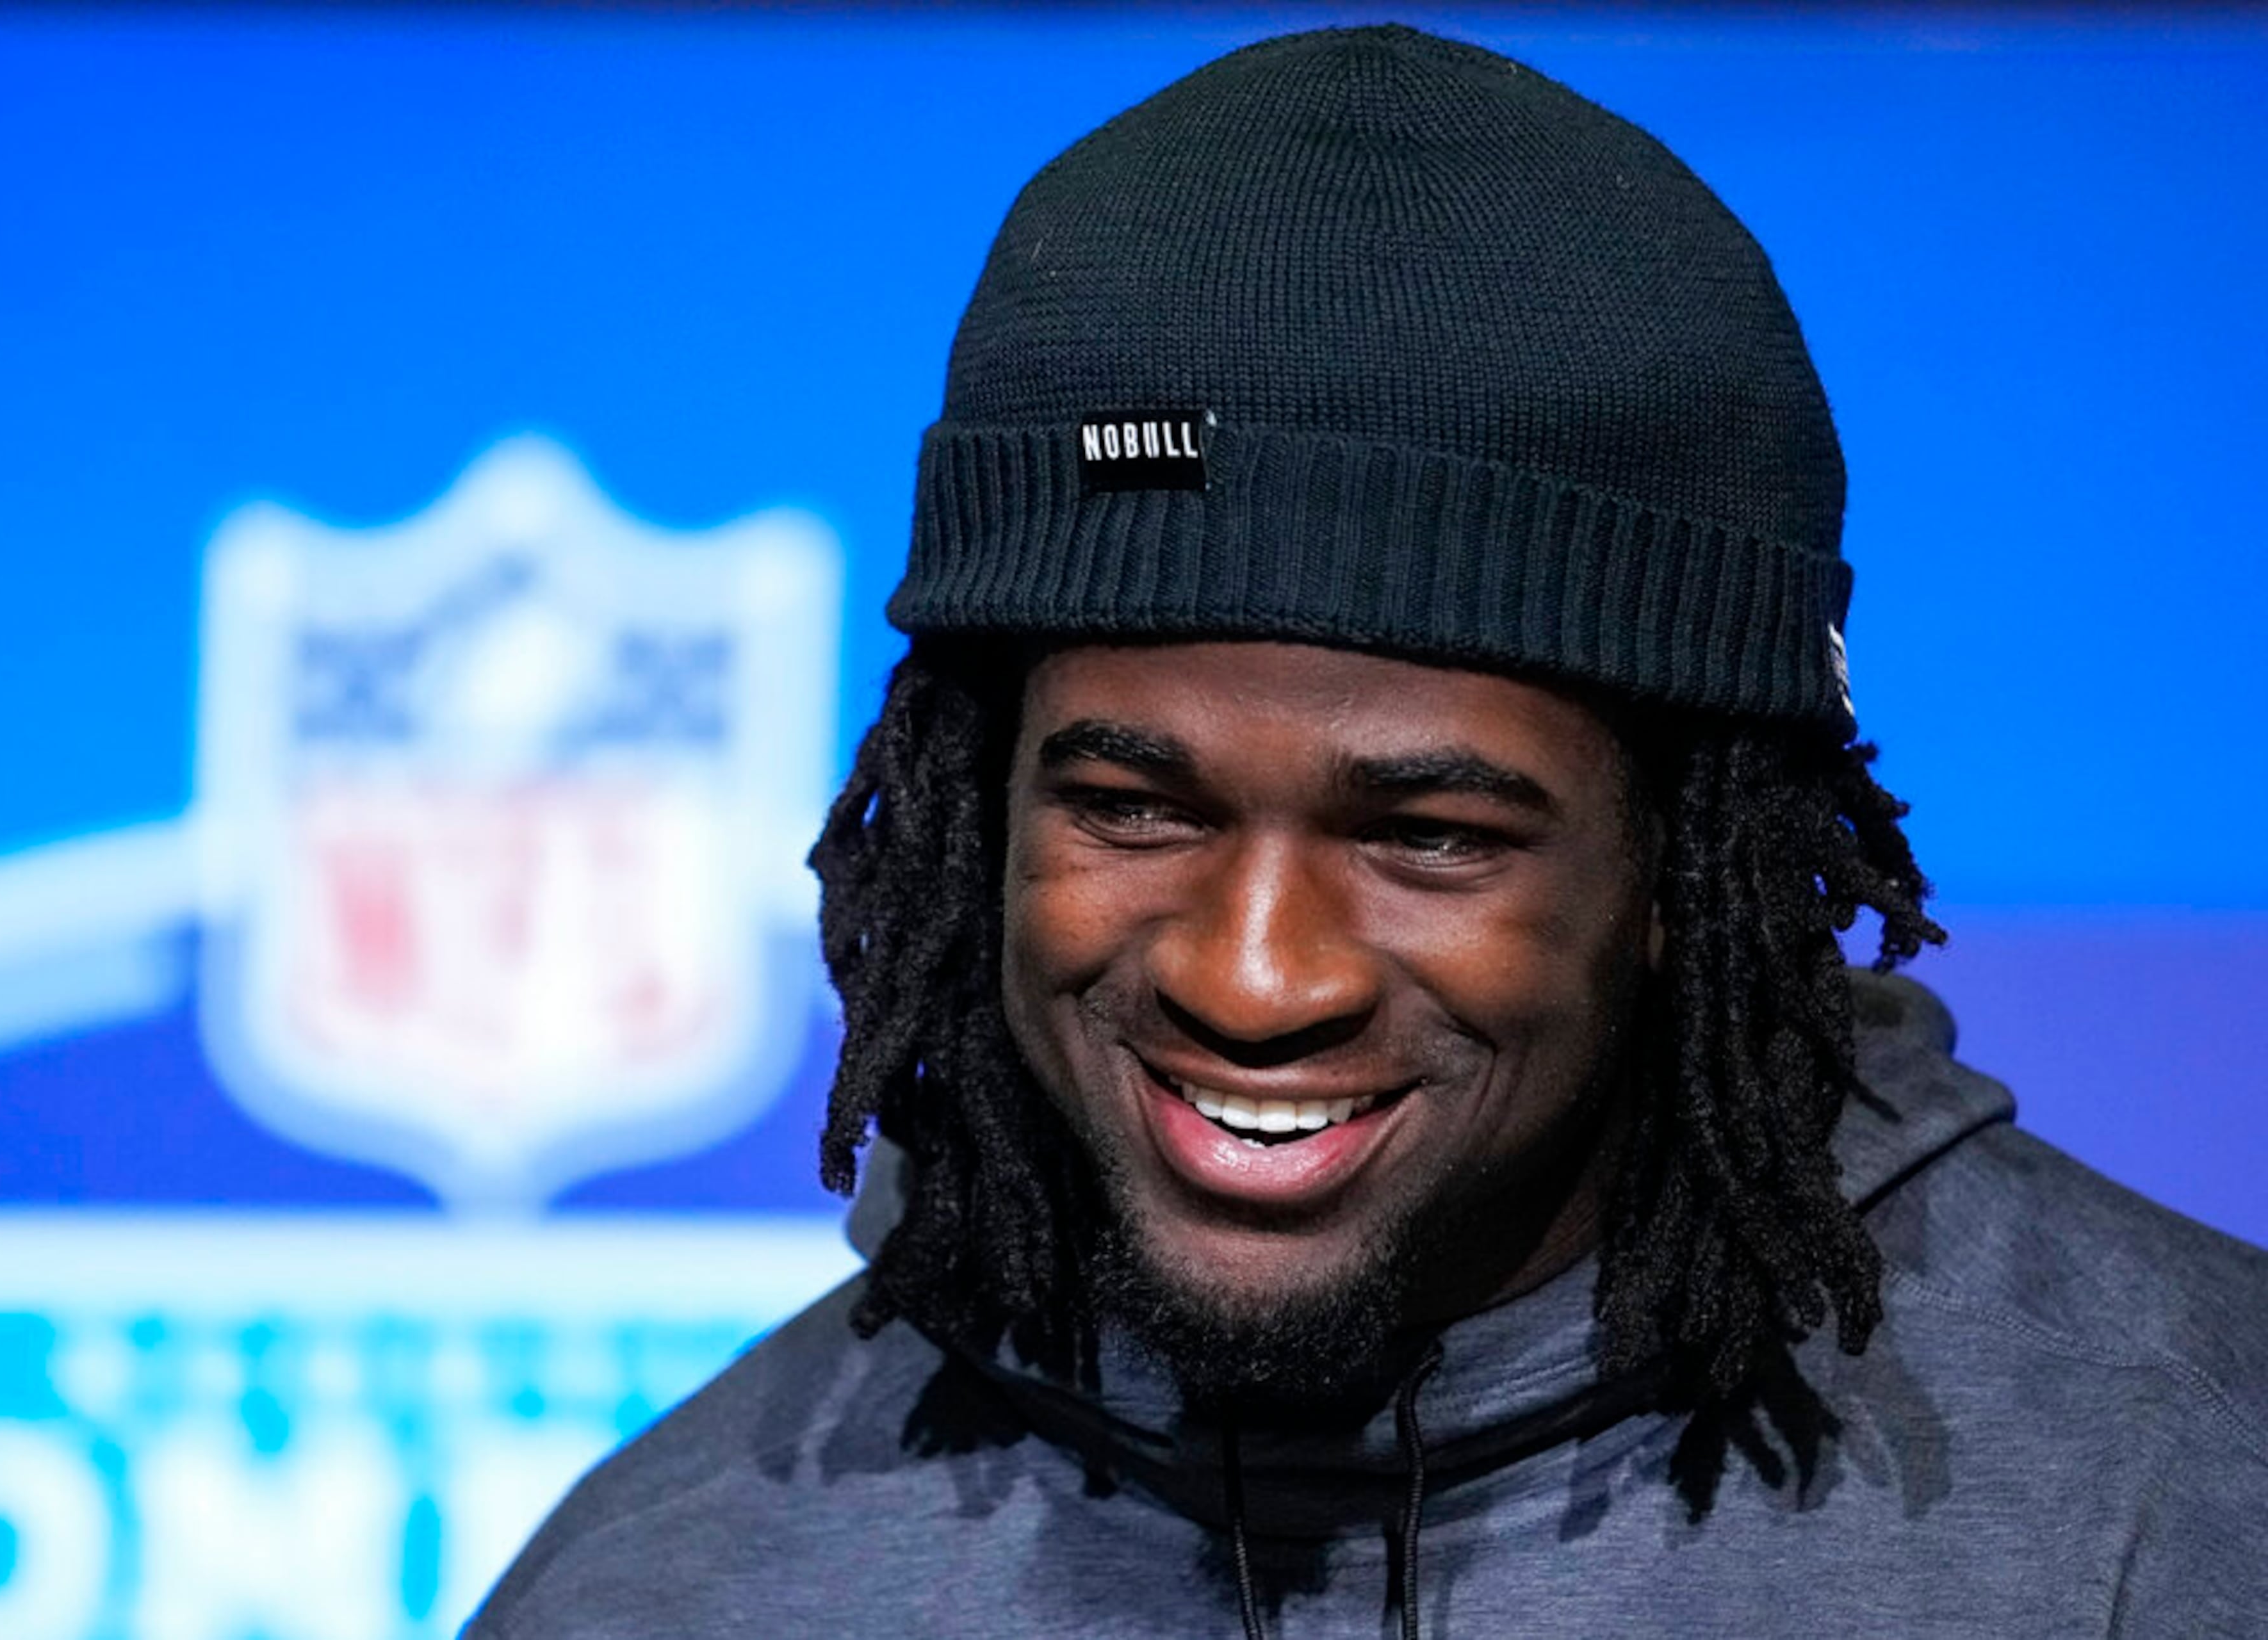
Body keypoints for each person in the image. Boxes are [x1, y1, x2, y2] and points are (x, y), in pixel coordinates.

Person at [473, 25, 2268, 1637]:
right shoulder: (676, 1575)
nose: (1256, 976)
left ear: (1683, 872)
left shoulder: (2182, 1499)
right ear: (977, 803)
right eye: (1133, 805)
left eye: (1430, 836)